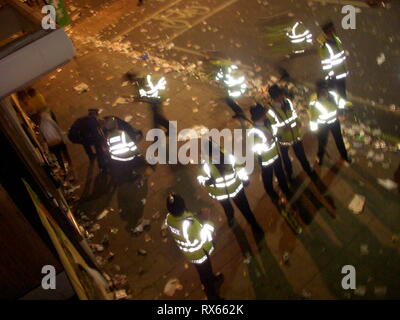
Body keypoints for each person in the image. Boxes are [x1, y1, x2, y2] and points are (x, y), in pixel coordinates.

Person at [197, 139, 264, 235]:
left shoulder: (228, 155)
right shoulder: (204, 165)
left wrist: (245, 179)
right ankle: (231, 218)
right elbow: (200, 178)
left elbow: (239, 168)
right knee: (228, 209)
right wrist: (206, 182)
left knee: (245, 209)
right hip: (222, 194)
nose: (216, 155)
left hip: (236, 189)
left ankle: (254, 224)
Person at [165, 193, 224, 300]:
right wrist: (207, 219)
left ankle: (213, 280)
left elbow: (184, 218)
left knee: (204, 271)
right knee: (204, 273)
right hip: (199, 252)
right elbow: (203, 236)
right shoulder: (188, 224)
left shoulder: (169, 219)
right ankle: (213, 296)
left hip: (190, 254)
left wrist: (197, 214)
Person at [267, 84, 315, 182]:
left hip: (295, 136)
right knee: (286, 159)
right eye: (280, 95)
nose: (282, 96)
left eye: (282, 94)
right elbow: (272, 129)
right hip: (284, 140)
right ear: (275, 97)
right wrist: (283, 129)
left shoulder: (288, 102)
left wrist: (298, 120)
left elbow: (293, 113)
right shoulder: (271, 112)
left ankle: (308, 170)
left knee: (301, 155)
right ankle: (289, 175)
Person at [248, 103, 291, 204]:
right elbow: (255, 149)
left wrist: (278, 135)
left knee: (280, 174)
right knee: (268, 179)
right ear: (260, 116)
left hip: (276, 154)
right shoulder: (252, 132)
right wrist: (266, 142)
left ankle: (286, 189)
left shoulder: (267, 122)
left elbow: (274, 132)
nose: (266, 114)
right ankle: (272, 194)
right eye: (264, 113)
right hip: (266, 160)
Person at [308, 80, 351, 165]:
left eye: (325, 89)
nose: (324, 92)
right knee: (322, 142)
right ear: (317, 90)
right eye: (321, 90)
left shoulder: (333, 96)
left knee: (339, 140)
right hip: (322, 125)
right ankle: (320, 158)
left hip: (334, 122)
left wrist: (348, 105)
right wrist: (314, 130)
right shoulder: (313, 101)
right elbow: (313, 117)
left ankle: (345, 156)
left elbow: (342, 102)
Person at [35, 110, 74, 179]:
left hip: (52, 144)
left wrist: (45, 147)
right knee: (65, 153)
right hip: (58, 140)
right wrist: (62, 136)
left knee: (59, 157)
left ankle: (63, 169)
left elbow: (42, 137)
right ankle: (70, 165)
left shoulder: (41, 126)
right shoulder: (50, 120)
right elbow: (57, 129)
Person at [317, 21, 348, 98]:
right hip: (334, 75)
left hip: (341, 71)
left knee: (341, 92)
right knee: (336, 93)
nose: (334, 30)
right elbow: (325, 62)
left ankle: (343, 106)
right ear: (327, 32)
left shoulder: (335, 39)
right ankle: (340, 107)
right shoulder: (324, 45)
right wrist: (331, 75)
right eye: (332, 29)